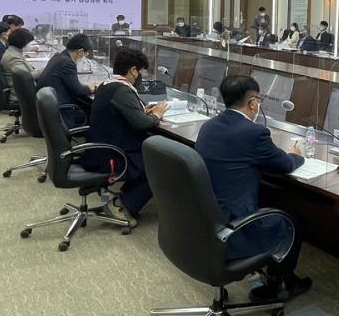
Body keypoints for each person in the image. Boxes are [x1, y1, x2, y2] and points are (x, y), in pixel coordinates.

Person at [195, 75, 311, 302]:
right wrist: (297, 155)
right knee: (294, 221)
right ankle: (278, 284)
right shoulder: (254, 133)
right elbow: (285, 165)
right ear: (252, 102)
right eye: (259, 100)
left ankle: (270, 272)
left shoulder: (208, 126)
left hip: (205, 219)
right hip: (233, 228)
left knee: (268, 201)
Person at [80, 48, 169, 227]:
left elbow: (124, 113)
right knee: (159, 164)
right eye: (141, 71)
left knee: (150, 156)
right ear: (133, 70)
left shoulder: (108, 85)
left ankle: (123, 198)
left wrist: (141, 110)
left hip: (99, 150)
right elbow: (141, 123)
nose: (141, 76)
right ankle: (121, 205)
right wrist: (157, 114)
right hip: (111, 156)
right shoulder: (122, 90)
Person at [36, 34, 95, 128]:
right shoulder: (67, 63)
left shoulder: (58, 57)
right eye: (86, 53)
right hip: (62, 113)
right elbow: (79, 90)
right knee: (96, 112)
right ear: (80, 52)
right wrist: (93, 87)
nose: (86, 55)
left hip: (51, 110)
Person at [1, 28, 40, 103]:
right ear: (22, 43)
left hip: (23, 89)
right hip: (20, 94)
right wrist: (47, 68)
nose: (31, 45)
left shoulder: (13, 52)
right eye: (30, 43)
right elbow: (27, 77)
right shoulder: (13, 58)